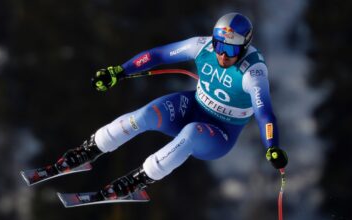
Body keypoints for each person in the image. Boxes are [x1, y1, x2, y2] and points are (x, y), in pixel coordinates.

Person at [55, 12, 288, 199]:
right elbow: (158, 55)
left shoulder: (253, 73)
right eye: (219, 46)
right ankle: (90, 149)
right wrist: (119, 71)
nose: (223, 55)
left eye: (231, 49)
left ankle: (139, 179)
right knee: (147, 114)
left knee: (190, 133)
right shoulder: (203, 46)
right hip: (192, 108)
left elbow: (265, 113)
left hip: (219, 135)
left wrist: (272, 146)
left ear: (245, 46)